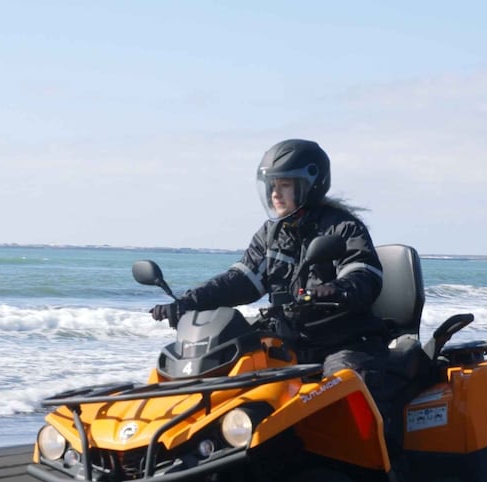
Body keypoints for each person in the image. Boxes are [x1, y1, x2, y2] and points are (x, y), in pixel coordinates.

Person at [151, 139, 399, 448]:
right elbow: (241, 280)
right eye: (271, 186)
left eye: (284, 185)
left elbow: (364, 274)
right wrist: (188, 302)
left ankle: (380, 473)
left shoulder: (344, 229)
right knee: (231, 376)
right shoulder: (271, 234)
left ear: (309, 185)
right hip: (289, 342)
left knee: (347, 387)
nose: (274, 194)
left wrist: (335, 289)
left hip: (343, 342)